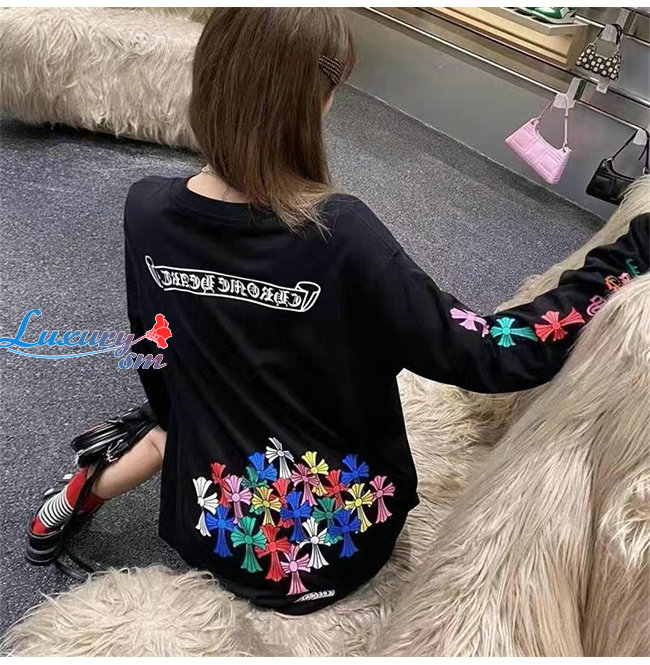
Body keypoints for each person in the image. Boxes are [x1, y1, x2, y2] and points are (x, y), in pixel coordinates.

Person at [26, 8, 649, 614]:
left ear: (208, 75)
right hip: (334, 547)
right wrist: (627, 253)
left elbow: (157, 352)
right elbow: (491, 353)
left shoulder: (145, 209)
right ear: (316, 102)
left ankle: (78, 494)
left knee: (174, 417)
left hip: (211, 531)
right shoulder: (339, 234)